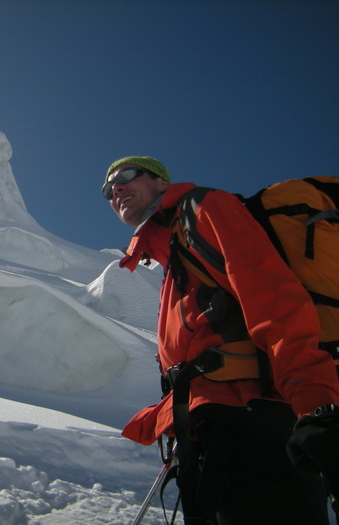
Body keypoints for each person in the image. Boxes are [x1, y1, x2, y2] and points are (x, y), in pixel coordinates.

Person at [103, 156, 339, 525]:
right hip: (212, 426)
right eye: (108, 189)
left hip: (253, 421)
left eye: (126, 176)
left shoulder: (204, 209)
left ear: (162, 183)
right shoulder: (172, 252)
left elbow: (275, 300)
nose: (115, 189)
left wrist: (315, 405)